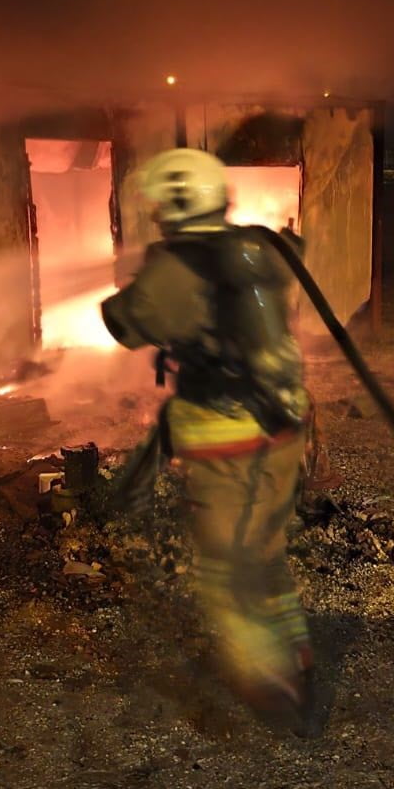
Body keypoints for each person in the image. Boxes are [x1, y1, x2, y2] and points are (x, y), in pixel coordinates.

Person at [101, 148, 315, 734]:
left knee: (227, 570)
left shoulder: (174, 267)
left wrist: (134, 282)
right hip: (283, 426)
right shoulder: (257, 247)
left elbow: (126, 325)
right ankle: (298, 653)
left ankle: (275, 690)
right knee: (264, 549)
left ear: (171, 204)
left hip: (227, 439)